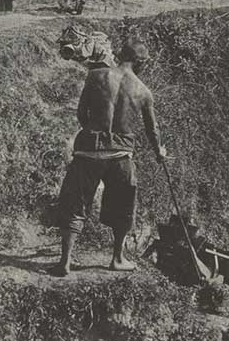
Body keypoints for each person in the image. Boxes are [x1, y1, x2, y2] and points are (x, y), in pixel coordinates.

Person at [52, 41, 167, 276]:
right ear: (141, 63)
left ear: (120, 55)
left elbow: (81, 113)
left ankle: (65, 261)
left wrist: (93, 134)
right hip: (121, 156)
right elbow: (152, 130)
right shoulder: (144, 92)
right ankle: (117, 258)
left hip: (88, 151)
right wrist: (159, 153)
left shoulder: (96, 76)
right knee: (123, 207)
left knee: (74, 204)